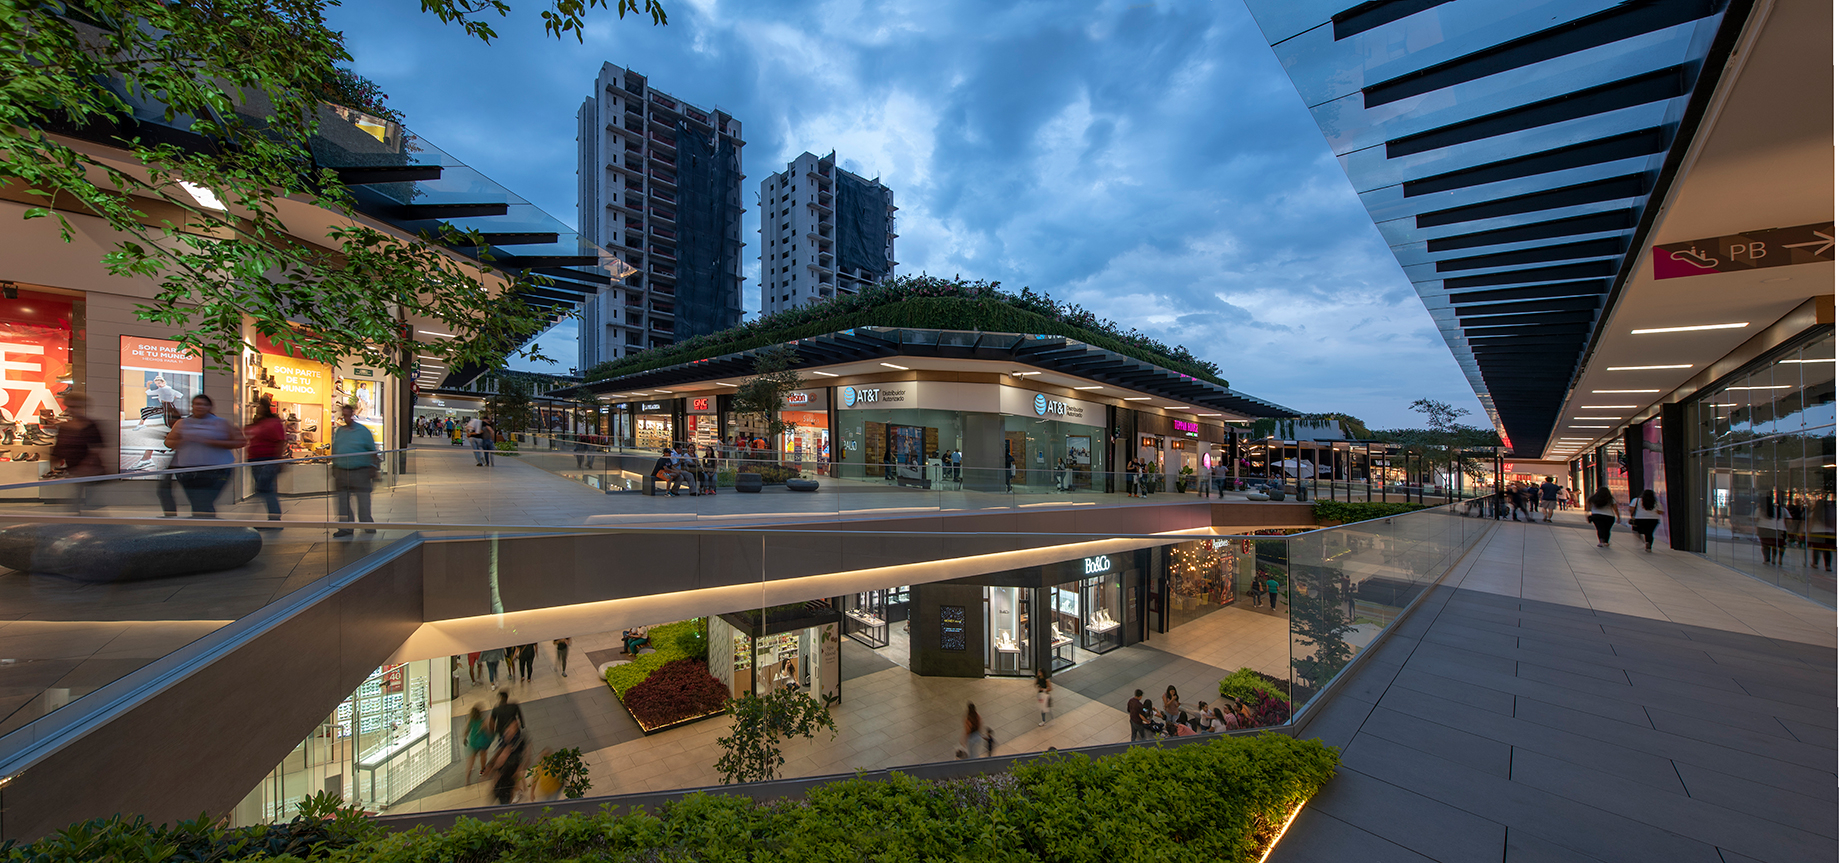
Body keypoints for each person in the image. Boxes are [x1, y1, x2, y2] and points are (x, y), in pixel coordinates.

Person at [162, 394, 244, 517]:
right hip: (188, 471)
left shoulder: (221, 423)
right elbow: (168, 442)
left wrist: (212, 442)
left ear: (210, 407)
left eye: (204, 404)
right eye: (197, 404)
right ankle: (203, 524)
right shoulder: (182, 423)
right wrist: (184, 440)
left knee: (203, 502)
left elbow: (240, 441)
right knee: (198, 503)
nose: (200, 407)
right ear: (192, 406)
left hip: (217, 470)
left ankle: (205, 524)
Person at [329, 403, 379, 537]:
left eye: (347, 415)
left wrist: (373, 467)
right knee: (343, 501)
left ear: (352, 414)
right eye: (343, 415)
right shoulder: (340, 432)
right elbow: (336, 449)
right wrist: (335, 465)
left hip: (360, 471)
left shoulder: (362, 431)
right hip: (342, 470)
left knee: (363, 500)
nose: (346, 418)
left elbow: (372, 451)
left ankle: (367, 524)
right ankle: (346, 527)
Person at [50, 393, 104, 510]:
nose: (72, 410)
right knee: (77, 501)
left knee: (87, 501)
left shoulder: (90, 426)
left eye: (75, 407)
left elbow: (97, 448)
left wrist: (87, 465)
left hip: (88, 470)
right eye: (70, 407)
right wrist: (54, 461)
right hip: (75, 469)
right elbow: (59, 447)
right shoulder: (66, 427)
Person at [489, 718, 529, 805]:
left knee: (510, 785)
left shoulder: (519, 740)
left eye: (514, 727)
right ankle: (516, 793)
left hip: (510, 769)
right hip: (504, 772)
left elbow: (521, 755)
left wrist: (519, 770)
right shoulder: (504, 738)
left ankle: (517, 793)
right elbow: (499, 753)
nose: (511, 730)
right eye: (511, 727)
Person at [464, 704, 493, 783]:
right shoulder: (482, 721)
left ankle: (467, 776)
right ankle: (482, 770)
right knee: (483, 755)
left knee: (471, 759)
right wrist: (490, 736)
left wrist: (464, 738)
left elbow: (467, 730)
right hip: (482, 741)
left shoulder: (470, 720)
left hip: (474, 741)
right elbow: (486, 730)